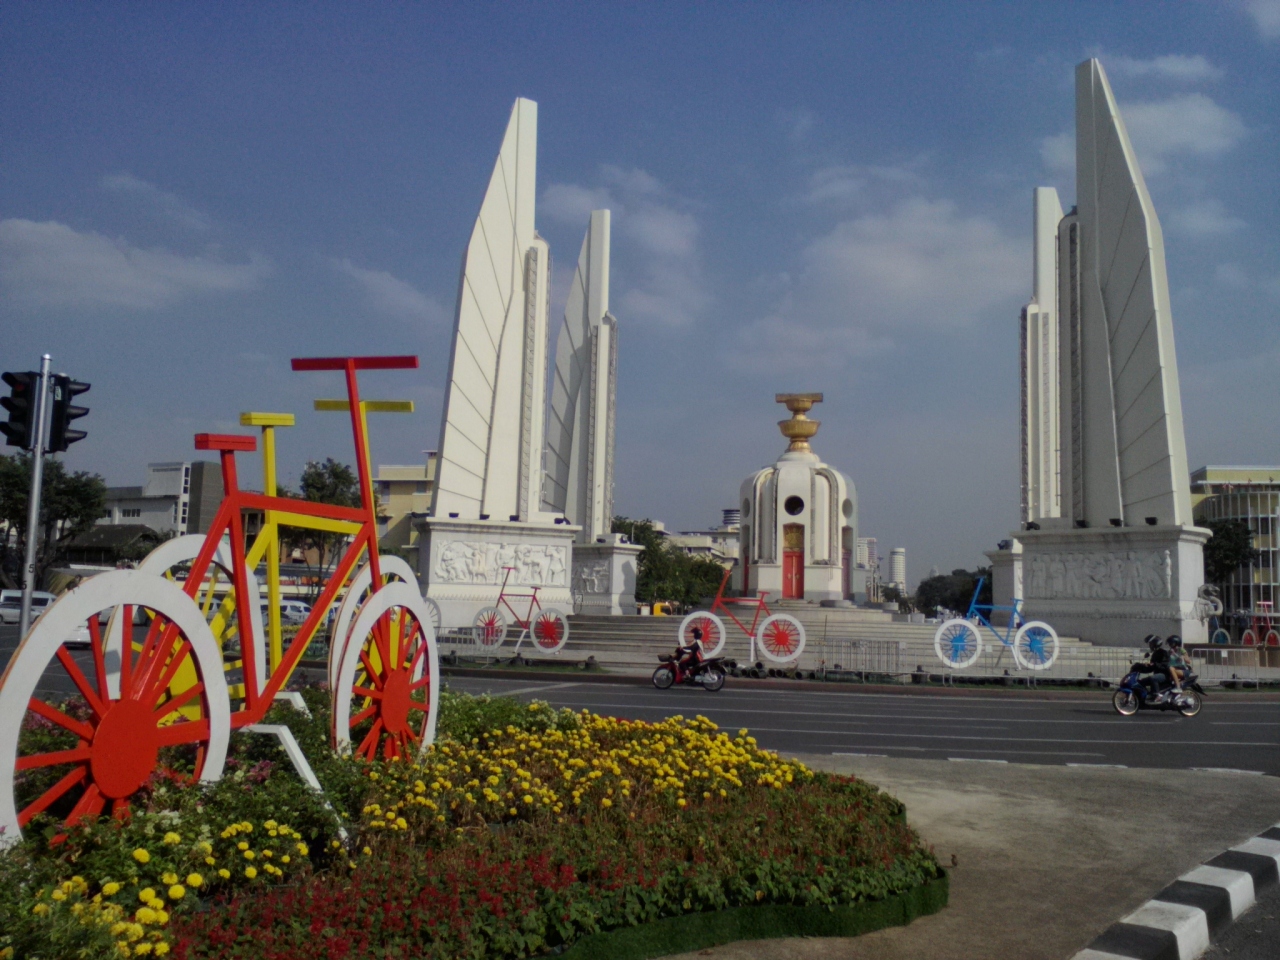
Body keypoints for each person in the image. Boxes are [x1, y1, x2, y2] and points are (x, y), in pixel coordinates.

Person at [1134, 635, 1172, 700]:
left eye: (1151, 644)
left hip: (1165, 674)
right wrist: (1140, 667)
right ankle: (1145, 697)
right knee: (1141, 682)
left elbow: (1165, 665)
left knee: (1153, 678)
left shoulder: (1163, 653)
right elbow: (1151, 668)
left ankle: (1157, 695)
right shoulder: (1155, 654)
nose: (1149, 645)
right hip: (1157, 674)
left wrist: (1154, 664)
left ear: (1155, 643)